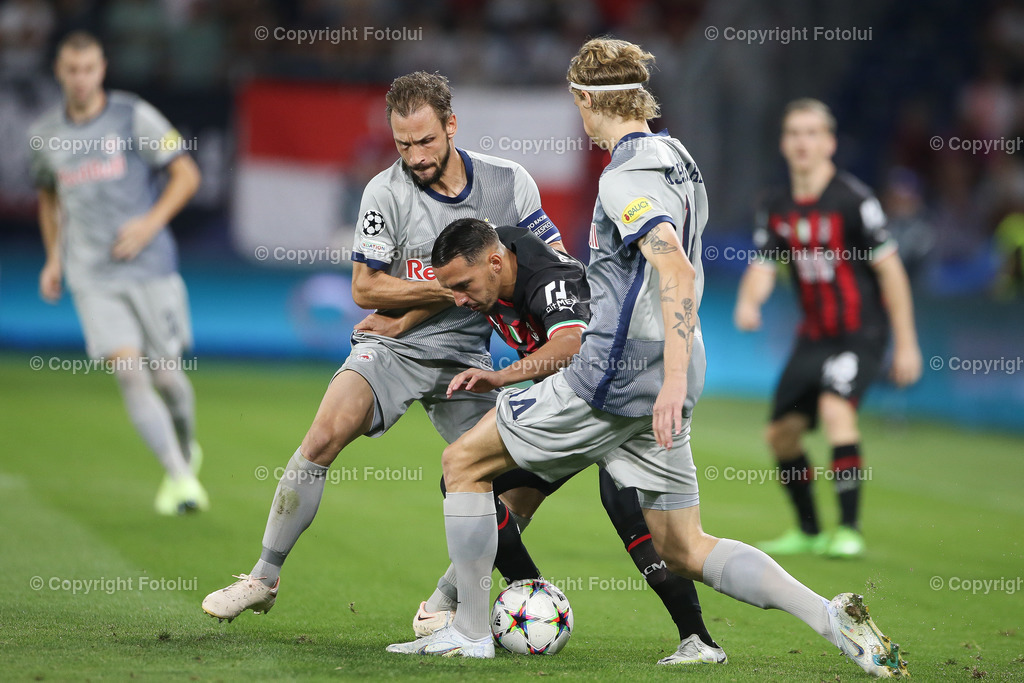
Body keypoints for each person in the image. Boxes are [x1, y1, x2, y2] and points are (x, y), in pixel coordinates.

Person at [386, 38, 909, 679]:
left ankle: (466, 632)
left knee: (462, 460)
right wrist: (677, 381)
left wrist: (667, 382)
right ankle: (831, 618)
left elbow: (675, 267)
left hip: (614, 376)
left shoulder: (624, 175)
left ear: (584, 99)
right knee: (683, 546)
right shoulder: (678, 158)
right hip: (668, 373)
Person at [201, 70, 564, 621]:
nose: (415, 156)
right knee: (323, 434)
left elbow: (544, 264)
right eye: (403, 144)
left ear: (451, 125)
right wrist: (453, 290)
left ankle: (442, 606)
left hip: (469, 358)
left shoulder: (509, 183)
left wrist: (428, 302)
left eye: (426, 141)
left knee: (519, 485)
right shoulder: (384, 191)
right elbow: (365, 287)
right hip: (392, 347)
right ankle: (262, 577)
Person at [411, 217, 724, 665]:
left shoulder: (545, 280)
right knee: (480, 486)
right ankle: (532, 600)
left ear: (497, 262)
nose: (458, 299)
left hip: (612, 407)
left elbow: (570, 345)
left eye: (462, 286)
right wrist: (393, 322)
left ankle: (698, 639)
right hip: (564, 412)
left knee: (639, 525)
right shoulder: (493, 262)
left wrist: (500, 377)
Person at [734, 99, 923, 558]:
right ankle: (810, 530)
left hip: (861, 333)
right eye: (795, 133)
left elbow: (891, 272)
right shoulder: (776, 205)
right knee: (781, 435)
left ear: (830, 142)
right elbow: (763, 264)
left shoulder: (854, 200)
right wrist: (748, 302)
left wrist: (907, 345)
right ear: (784, 143)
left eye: (812, 133)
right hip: (814, 335)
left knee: (837, 409)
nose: (803, 142)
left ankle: (849, 529)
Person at [29, 31, 205, 515]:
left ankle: (187, 449)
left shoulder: (133, 115)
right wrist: (54, 258)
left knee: (168, 378)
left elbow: (187, 174)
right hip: (93, 277)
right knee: (130, 373)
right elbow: (48, 197)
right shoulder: (45, 135)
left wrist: (149, 224)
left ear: (101, 69)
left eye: (88, 69)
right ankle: (181, 476)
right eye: (71, 70)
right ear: (60, 73)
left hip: (150, 269)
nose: (80, 79)